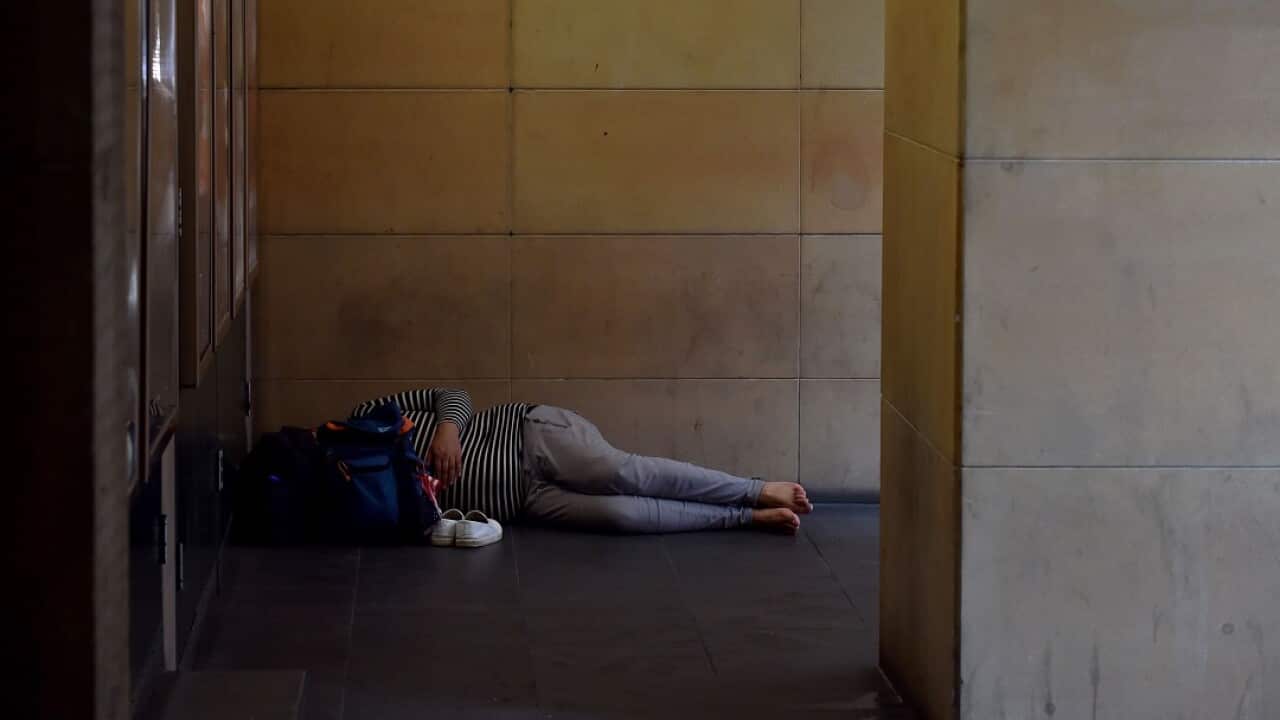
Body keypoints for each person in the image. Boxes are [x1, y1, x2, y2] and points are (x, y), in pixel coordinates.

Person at [351, 388, 813, 534]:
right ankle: (747, 517)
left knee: (623, 473)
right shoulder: (351, 493)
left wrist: (448, 430)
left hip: (527, 436)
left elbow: (451, 396)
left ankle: (755, 488)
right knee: (622, 515)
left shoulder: (365, 417)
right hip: (523, 502)